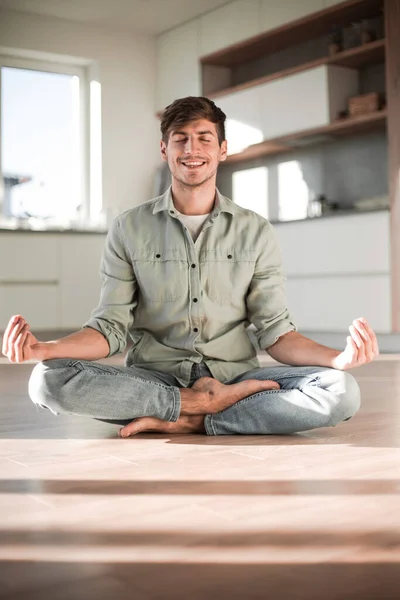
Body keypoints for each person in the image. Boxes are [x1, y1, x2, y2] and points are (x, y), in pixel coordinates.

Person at [2, 96, 378, 438]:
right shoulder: (129, 228)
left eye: (203, 138)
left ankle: (186, 419)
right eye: (180, 138)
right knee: (47, 381)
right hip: (154, 378)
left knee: (342, 391)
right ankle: (201, 407)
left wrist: (337, 359)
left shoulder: (255, 230)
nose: (192, 149)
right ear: (164, 149)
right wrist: (45, 349)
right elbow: (109, 329)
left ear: (223, 149)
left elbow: (276, 333)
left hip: (235, 375)